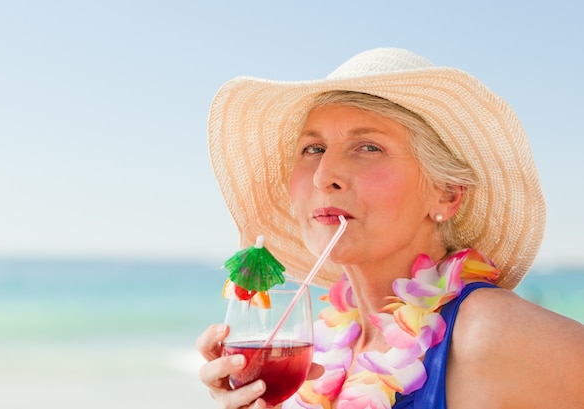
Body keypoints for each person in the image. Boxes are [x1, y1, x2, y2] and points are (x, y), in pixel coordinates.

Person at [196, 48, 584, 408]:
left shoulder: (490, 331)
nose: (324, 176)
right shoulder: (313, 355)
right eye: (313, 149)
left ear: (446, 195)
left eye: (368, 147)